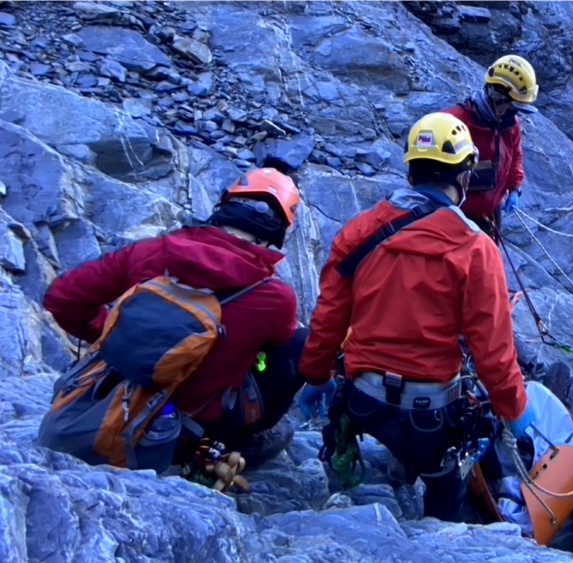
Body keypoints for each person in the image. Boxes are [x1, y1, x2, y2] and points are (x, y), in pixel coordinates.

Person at [298, 112, 533, 522]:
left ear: (410, 172)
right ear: (464, 178)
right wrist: (514, 411)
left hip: (362, 401)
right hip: (428, 412)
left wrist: (316, 376)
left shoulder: (360, 231)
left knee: (378, 431)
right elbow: (492, 351)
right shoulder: (475, 248)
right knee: (446, 481)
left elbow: (329, 317)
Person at [42, 168, 308, 466]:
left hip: (104, 400)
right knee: (301, 343)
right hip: (180, 435)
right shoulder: (275, 298)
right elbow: (279, 348)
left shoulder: (152, 252)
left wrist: (116, 339)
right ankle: (241, 441)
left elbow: (62, 298)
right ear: (278, 231)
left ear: (225, 206)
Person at [440, 54, 539, 241]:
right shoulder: (453, 121)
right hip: (453, 217)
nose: (516, 112)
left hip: (490, 213)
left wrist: (515, 188)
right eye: (513, 106)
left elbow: (515, 156)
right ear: (497, 97)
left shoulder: (509, 124)